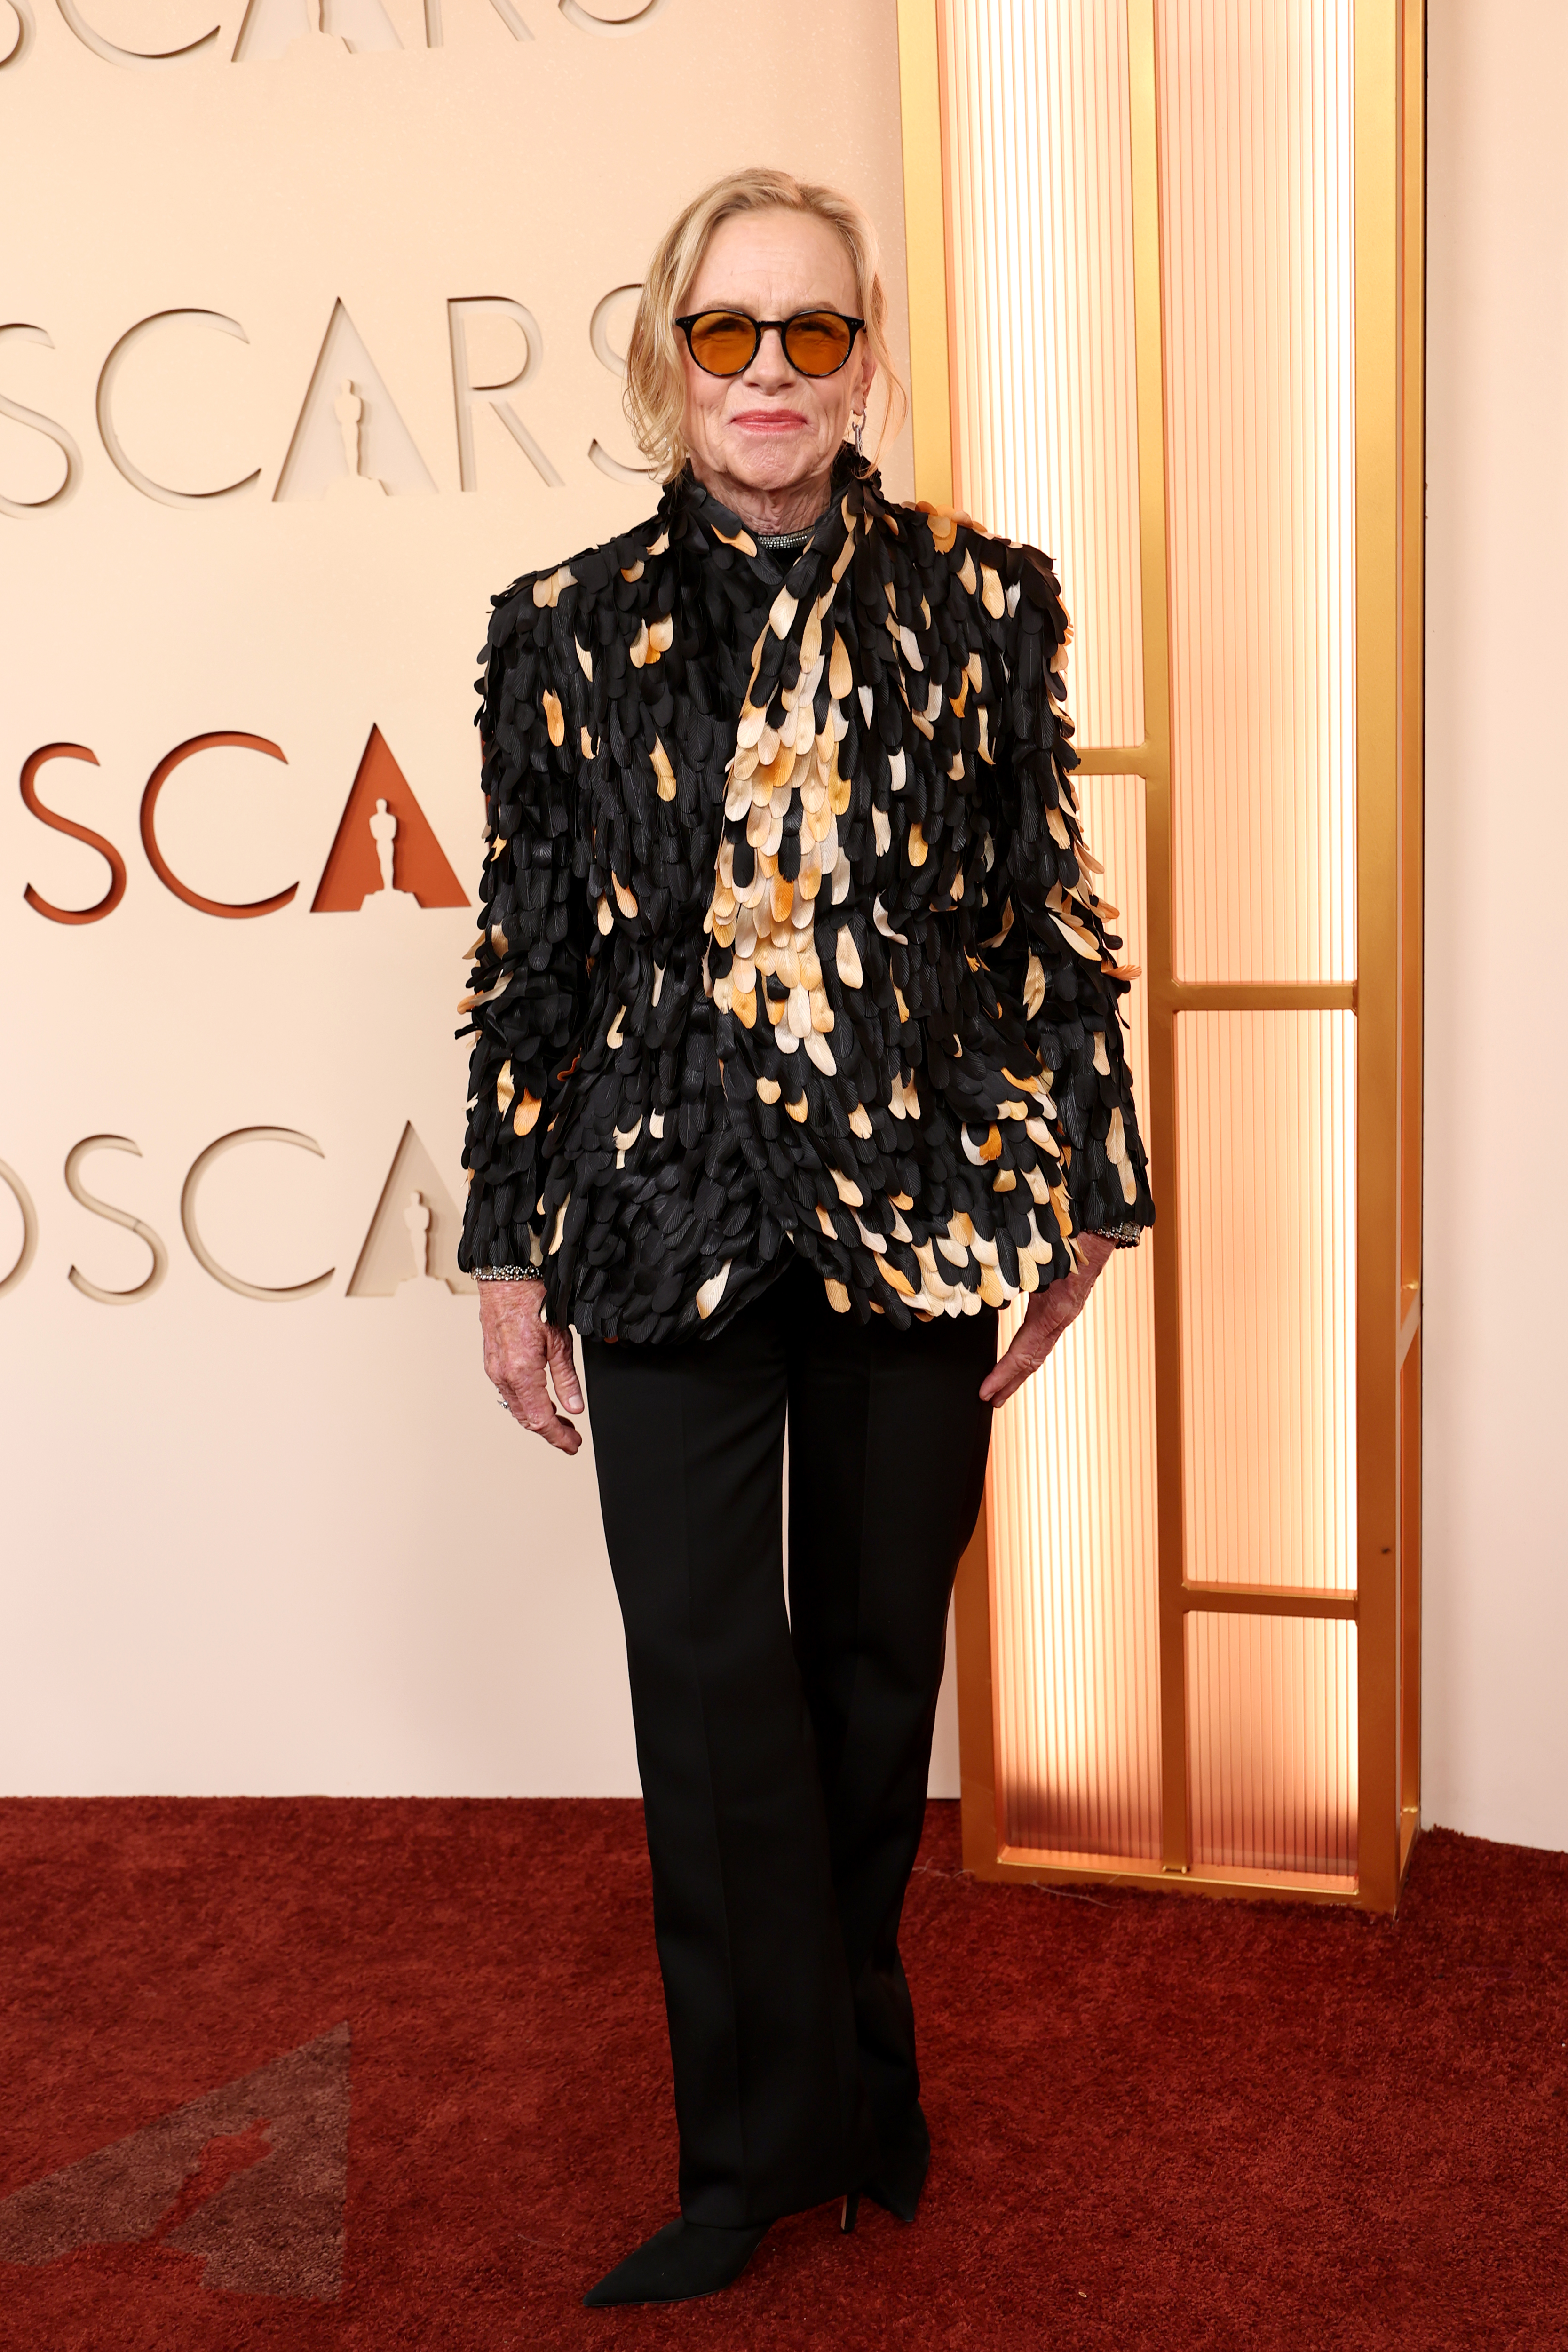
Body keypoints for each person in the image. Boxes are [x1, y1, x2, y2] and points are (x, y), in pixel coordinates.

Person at [457, 168, 1153, 2309]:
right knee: (710, 1686)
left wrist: (1089, 1196)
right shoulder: (558, 626)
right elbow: (536, 953)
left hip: (918, 1220)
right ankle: (746, 2156)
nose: (771, 374)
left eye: (815, 333)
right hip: (658, 1223)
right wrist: (506, 1245)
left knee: (873, 1680)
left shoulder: (985, 603)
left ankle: (861, 2087)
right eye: (732, 332)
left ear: (870, 357)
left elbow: (1040, 915)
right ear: (670, 352)